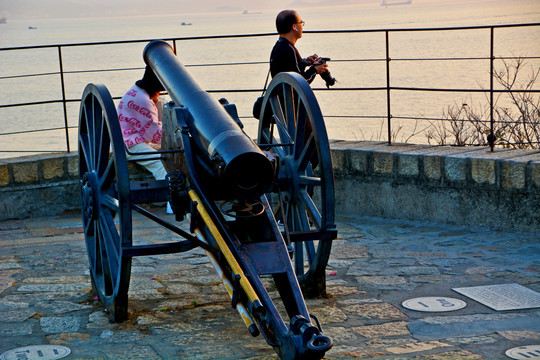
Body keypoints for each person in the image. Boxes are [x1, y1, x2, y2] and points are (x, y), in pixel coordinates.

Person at [117, 65, 173, 213]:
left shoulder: (138, 92)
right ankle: (172, 202)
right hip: (130, 144)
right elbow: (153, 135)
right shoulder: (142, 100)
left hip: (131, 139)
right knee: (161, 163)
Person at [270, 10, 328, 83]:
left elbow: (292, 70)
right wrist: (315, 70)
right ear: (294, 27)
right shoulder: (289, 50)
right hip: (290, 94)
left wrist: (305, 62)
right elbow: (300, 82)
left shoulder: (278, 46)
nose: (302, 26)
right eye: (301, 23)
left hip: (282, 93)